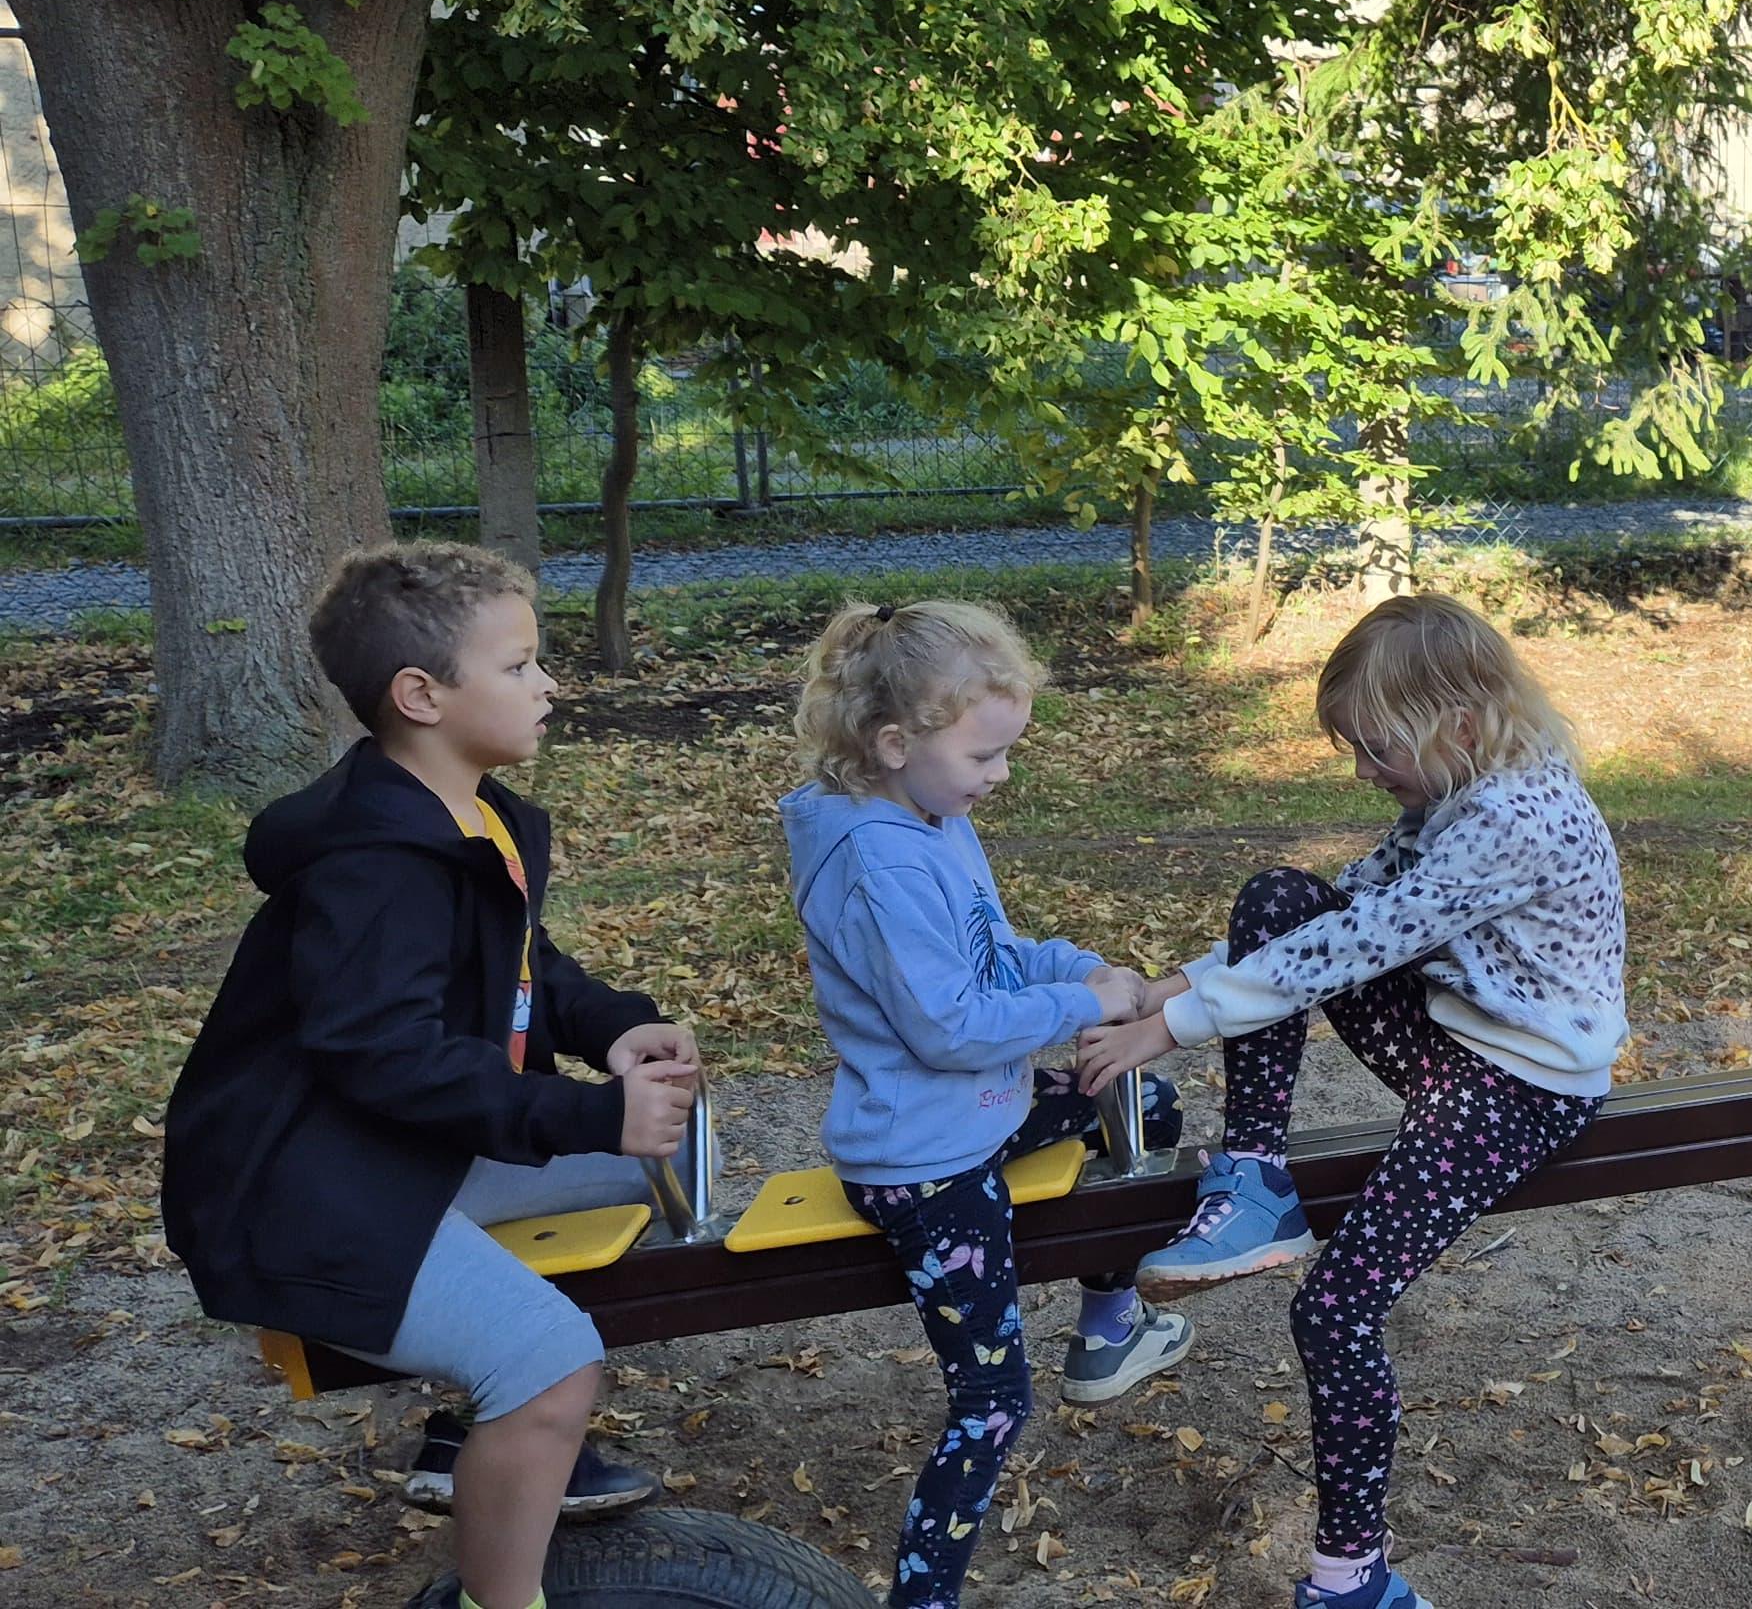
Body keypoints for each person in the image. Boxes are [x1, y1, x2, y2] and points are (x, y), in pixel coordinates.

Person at [162, 543, 698, 1609]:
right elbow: (382, 1051)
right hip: (297, 1193)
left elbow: (523, 964)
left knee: (660, 1174)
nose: (548, 684)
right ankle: (502, 1588)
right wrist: (588, 1113)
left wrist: (617, 1028)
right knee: (553, 1360)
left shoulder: (467, 817)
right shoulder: (378, 865)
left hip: (388, 1154)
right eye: (520, 666)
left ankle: (478, 1433)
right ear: (421, 696)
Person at [1074, 594, 1627, 1609]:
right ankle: (1255, 1182)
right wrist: (1168, 987)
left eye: (1377, 748)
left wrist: (1174, 1026)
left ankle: (1352, 1579)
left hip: (1522, 1091)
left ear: (1459, 723)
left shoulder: (1513, 818)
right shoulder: (1457, 791)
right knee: (1281, 897)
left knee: (1334, 1312)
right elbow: (1332, 917)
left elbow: (1358, 946)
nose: (1365, 773)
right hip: (1456, 1052)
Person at [782, 600, 1197, 1608]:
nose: (1000, 775)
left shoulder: (934, 818)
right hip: (926, 1167)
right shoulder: (877, 861)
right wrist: (1080, 1005)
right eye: (984, 755)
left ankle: (1110, 1324)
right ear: (894, 744)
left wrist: (1085, 970)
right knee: (992, 1404)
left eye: (1006, 751)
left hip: (983, 1116)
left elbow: (993, 954)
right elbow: (949, 1026)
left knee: (1141, 1103)